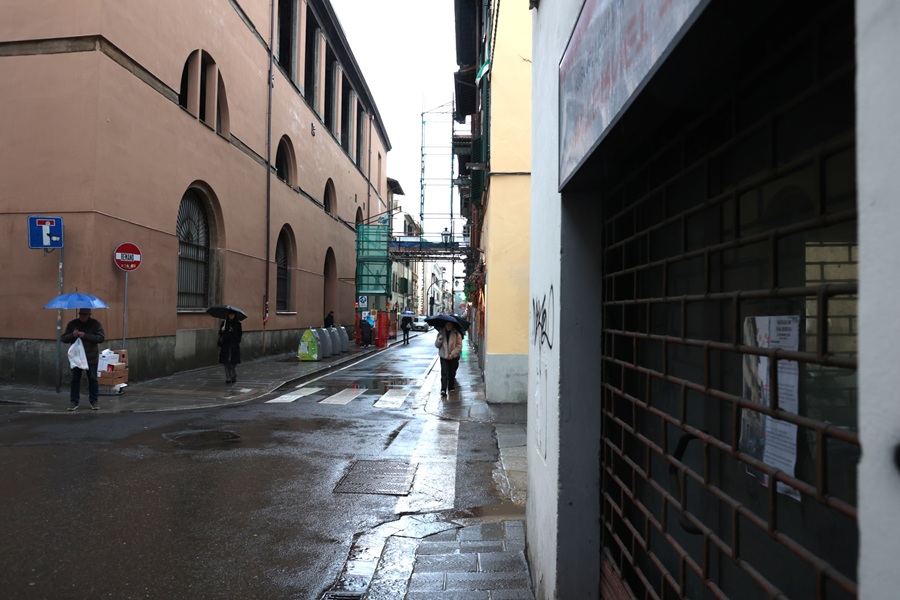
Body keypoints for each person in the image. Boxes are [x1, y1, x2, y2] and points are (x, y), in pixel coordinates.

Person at [62, 307, 105, 410]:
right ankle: (74, 401)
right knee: (75, 379)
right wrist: (73, 335)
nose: (82, 317)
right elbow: (64, 338)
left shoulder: (95, 324)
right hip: (77, 358)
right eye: (81, 314)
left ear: (89, 315)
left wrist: (85, 336)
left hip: (91, 357)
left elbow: (101, 338)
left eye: (85, 315)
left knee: (93, 379)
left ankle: (94, 401)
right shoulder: (73, 324)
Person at [434, 320, 463, 396]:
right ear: (445, 325)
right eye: (447, 325)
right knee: (444, 372)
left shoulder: (457, 333)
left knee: (452, 372)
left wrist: (452, 354)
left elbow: (459, 346)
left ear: (452, 325)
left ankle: (451, 387)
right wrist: (439, 340)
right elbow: (437, 345)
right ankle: (443, 389)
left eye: (450, 325)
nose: (449, 326)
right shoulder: (441, 333)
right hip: (443, 356)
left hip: (453, 357)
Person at [218, 311, 242, 384]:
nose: (231, 316)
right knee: (226, 362)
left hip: (234, 346)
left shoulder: (238, 324)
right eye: (230, 314)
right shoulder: (224, 323)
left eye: (232, 315)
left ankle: (233, 374)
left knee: (233, 362)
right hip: (226, 346)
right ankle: (228, 377)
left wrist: (235, 339)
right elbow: (220, 334)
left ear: (235, 315)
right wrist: (222, 330)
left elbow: (239, 335)